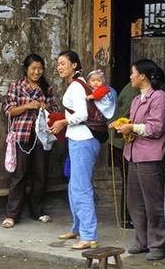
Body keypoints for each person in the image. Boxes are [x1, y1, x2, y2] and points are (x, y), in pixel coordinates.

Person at [114, 59, 165, 261]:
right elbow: (137, 124)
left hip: (151, 156)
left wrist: (132, 127)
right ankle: (142, 241)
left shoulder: (159, 98)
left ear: (143, 76)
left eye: (133, 73)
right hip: (133, 154)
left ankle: (158, 244)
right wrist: (124, 125)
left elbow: (155, 128)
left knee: (154, 203)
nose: (130, 76)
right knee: (135, 202)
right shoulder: (136, 100)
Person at [2, 53, 60, 229]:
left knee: (40, 174)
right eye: (33, 68)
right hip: (22, 135)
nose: (36, 72)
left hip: (41, 136)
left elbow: (55, 110)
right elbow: (8, 111)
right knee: (19, 175)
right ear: (26, 69)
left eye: (40, 69)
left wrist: (45, 107)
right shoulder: (17, 86)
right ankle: (12, 215)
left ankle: (38, 211)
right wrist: (28, 106)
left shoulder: (46, 88)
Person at [49, 50, 100, 250]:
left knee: (81, 187)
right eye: (58, 64)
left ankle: (89, 235)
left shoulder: (77, 87)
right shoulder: (77, 85)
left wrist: (62, 121)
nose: (59, 67)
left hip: (83, 139)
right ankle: (77, 227)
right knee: (74, 185)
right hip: (78, 139)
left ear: (74, 65)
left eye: (63, 63)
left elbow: (82, 114)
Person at [107, 82, 139, 230]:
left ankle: (128, 218)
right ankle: (127, 219)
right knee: (129, 181)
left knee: (128, 181)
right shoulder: (134, 91)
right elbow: (126, 113)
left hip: (119, 140)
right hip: (121, 141)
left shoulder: (130, 88)